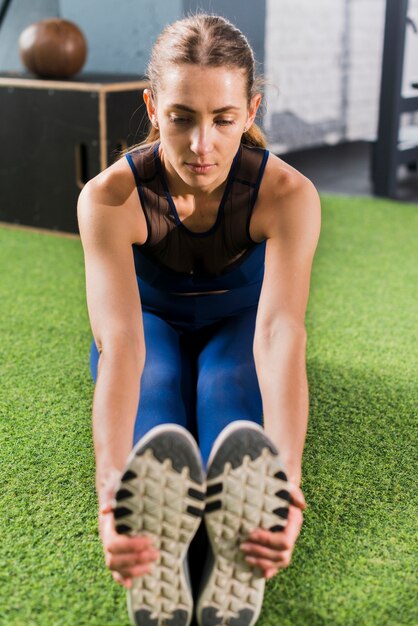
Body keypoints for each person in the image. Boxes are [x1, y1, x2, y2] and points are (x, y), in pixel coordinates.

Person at [77, 13, 321, 626]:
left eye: (224, 119)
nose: (201, 145)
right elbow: (122, 343)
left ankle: (230, 544)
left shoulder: (287, 194)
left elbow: (280, 331)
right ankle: (155, 539)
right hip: (147, 324)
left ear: (251, 108)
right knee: (157, 397)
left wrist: (286, 482)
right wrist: (111, 492)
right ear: (152, 106)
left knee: (226, 399)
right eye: (182, 116)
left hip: (239, 327)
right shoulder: (110, 198)